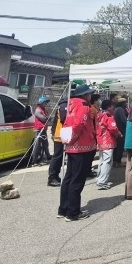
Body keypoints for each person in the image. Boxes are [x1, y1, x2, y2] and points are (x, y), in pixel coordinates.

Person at [57, 84, 97, 222]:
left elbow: (65, 122)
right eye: (89, 93)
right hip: (82, 146)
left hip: (72, 147)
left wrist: (68, 140)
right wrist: (73, 138)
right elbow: (79, 124)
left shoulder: (69, 104)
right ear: (85, 95)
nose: (90, 96)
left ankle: (63, 209)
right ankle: (73, 212)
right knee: (77, 180)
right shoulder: (84, 106)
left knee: (69, 178)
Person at [96, 99, 121, 190]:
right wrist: (119, 133)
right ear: (109, 106)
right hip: (108, 140)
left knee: (102, 161)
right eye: (112, 106)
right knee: (107, 161)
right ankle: (102, 181)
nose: (113, 107)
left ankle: (99, 178)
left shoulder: (99, 115)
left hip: (100, 140)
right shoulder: (109, 116)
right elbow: (113, 128)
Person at [48, 94, 68, 187]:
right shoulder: (64, 106)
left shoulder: (63, 105)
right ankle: (52, 178)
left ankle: (56, 176)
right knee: (57, 157)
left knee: (60, 157)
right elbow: (64, 119)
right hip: (60, 134)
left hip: (62, 133)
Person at [32, 95, 51, 166]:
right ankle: (34, 160)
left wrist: (47, 118)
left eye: (46, 102)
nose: (46, 104)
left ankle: (48, 156)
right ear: (41, 103)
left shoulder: (44, 110)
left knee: (45, 144)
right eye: (45, 102)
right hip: (38, 130)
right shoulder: (38, 110)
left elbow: (46, 118)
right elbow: (44, 119)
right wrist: (48, 118)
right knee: (37, 145)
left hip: (43, 129)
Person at [113, 97, 128, 167]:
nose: (126, 104)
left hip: (118, 130)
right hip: (121, 130)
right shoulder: (120, 109)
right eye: (125, 103)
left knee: (117, 147)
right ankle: (118, 161)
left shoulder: (117, 109)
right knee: (120, 147)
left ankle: (115, 161)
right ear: (122, 103)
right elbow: (124, 120)